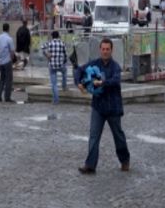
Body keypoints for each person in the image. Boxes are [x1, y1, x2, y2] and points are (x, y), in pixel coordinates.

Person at [75, 37, 130, 175]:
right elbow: (78, 70)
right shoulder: (94, 63)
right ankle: (90, 165)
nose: (105, 52)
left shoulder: (115, 66)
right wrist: (79, 83)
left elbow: (116, 80)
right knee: (93, 136)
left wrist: (102, 83)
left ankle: (125, 160)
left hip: (113, 107)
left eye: (108, 49)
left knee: (118, 136)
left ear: (111, 50)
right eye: (103, 49)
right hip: (98, 107)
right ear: (100, 50)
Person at [42, 30, 68, 119]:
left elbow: (42, 47)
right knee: (65, 72)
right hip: (60, 65)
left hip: (52, 65)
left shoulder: (50, 43)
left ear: (52, 36)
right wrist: (64, 61)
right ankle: (64, 86)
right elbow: (66, 54)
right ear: (58, 36)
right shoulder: (62, 43)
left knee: (54, 84)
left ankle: (56, 100)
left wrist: (47, 55)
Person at [0, 23, 15, 102]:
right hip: (7, 62)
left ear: (3, 28)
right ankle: (7, 97)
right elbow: (12, 52)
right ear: (8, 29)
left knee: (2, 80)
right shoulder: (9, 39)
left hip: (0, 62)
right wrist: (12, 61)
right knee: (8, 80)